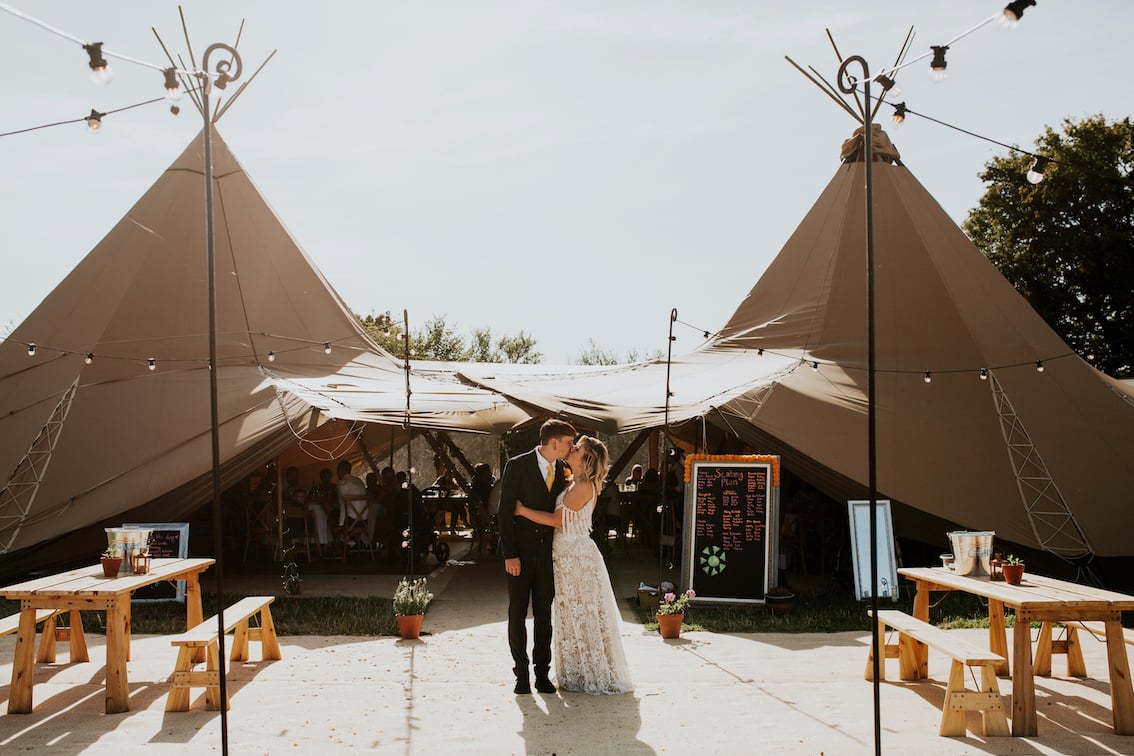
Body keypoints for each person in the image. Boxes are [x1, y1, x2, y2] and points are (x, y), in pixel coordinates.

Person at [514, 435, 633, 695]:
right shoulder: (572, 481)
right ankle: (576, 671)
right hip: (565, 559)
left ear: (587, 458)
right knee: (571, 614)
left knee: (584, 613)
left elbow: (558, 520)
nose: (573, 448)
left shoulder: (584, 486)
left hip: (578, 560)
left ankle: (594, 672)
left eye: (578, 447)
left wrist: (522, 511)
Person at [499, 418, 577, 695]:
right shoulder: (517, 465)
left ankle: (541, 674)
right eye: (569, 443)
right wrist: (510, 554)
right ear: (554, 442)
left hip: (548, 556)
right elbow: (505, 512)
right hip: (519, 554)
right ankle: (520, 675)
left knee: (544, 616)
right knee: (517, 613)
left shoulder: (566, 469)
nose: (572, 447)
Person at [336, 460, 368, 536]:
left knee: (332, 516)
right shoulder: (359, 481)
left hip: (351, 521)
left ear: (341, 470)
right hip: (365, 521)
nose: (337, 473)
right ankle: (353, 540)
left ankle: (342, 541)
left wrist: (340, 525)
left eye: (338, 470)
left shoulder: (342, 483)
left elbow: (343, 506)